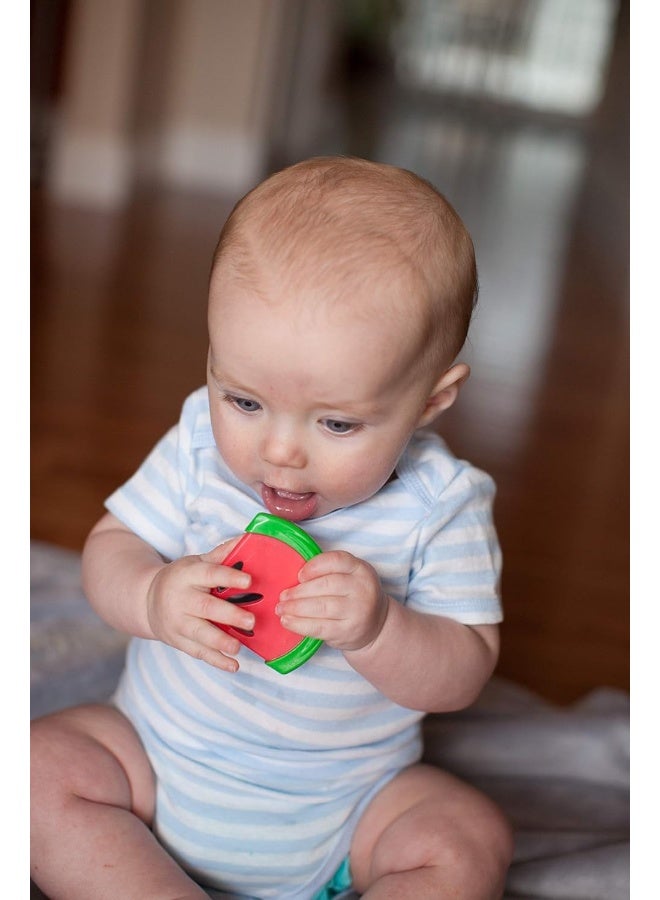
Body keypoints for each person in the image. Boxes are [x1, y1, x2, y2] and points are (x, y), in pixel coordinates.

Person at [31, 156, 513, 899]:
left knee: (467, 837)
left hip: (347, 811)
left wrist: (381, 629)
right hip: (155, 769)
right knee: (30, 771)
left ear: (430, 400)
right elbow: (111, 548)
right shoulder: (197, 445)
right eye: (245, 401)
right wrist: (153, 597)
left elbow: (463, 670)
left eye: (338, 421)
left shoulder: (440, 506)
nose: (279, 451)